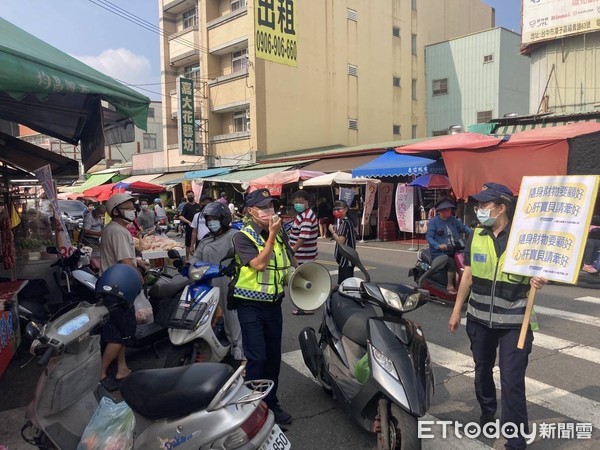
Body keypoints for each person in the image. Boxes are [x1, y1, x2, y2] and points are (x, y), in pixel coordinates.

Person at [448, 183, 547, 450]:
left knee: (512, 380)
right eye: (478, 205)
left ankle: (515, 441)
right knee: (482, 371)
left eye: (484, 205)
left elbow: (541, 268)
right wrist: (457, 310)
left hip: (515, 322)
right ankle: (487, 411)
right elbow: (467, 275)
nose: (479, 210)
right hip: (480, 319)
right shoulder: (476, 235)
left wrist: (539, 278)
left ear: (501, 207)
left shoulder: (525, 236)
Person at [230, 188, 293, 425]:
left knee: (273, 357)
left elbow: (286, 262)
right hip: (250, 305)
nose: (270, 212)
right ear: (251, 211)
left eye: (272, 207)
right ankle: (254, 408)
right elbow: (258, 264)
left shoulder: (279, 234)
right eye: (264, 208)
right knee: (257, 357)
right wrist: (271, 235)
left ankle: (271, 402)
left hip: (273, 304)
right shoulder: (243, 236)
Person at [99, 193, 150, 391]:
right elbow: (125, 262)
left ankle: (122, 368)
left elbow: (124, 257)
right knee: (118, 334)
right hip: (118, 289)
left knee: (120, 333)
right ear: (116, 210)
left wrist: (137, 262)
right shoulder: (119, 232)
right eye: (128, 206)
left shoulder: (113, 229)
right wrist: (139, 277)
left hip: (112, 286)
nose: (133, 209)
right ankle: (102, 373)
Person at [190, 202, 244, 362]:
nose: (211, 223)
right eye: (209, 220)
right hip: (207, 286)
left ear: (224, 219)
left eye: (215, 219)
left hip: (228, 284)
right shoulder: (206, 240)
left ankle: (240, 354)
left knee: (233, 319)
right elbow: (195, 259)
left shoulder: (235, 236)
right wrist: (188, 266)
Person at [425, 197, 472, 294]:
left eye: (450, 209)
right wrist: (438, 245)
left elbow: (463, 228)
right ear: (440, 211)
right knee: (452, 263)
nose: (449, 211)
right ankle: (450, 285)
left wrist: (475, 233)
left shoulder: (453, 220)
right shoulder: (433, 222)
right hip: (439, 252)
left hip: (455, 249)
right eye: (446, 209)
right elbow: (429, 237)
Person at [288, 190, 319, 316]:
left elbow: (303, 237)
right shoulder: (302, 215)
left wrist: (292, 250)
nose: (298, 204)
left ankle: (306, 306)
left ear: (307, 202)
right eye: (296, 202)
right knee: (302, 281)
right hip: (303, 255)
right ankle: (304, 306)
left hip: (303, 256)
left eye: (301, 202)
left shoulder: (306, 217)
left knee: (303, 282)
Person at [328, 200, 356, 285]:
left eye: (339, 209)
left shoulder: (345, 223)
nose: (336, 211)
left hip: (346, 260)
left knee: (344, 285)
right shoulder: (346, 222)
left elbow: (341, 241)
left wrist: (332, 231)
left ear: (345, 209)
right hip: (347, 259)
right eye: (335, 209)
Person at [179, 190, 202, 260]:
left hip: (198, 228)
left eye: (191, 195)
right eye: (189, 196)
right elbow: (180, 216)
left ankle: (198, 257)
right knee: (188, 244)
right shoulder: (186, 206)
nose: (190, 197)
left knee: (199, 243)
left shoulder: (198, 206)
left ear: (194, 195)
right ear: (187, 197)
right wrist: (188, 221)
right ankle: (187, 258)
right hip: (189, 228)